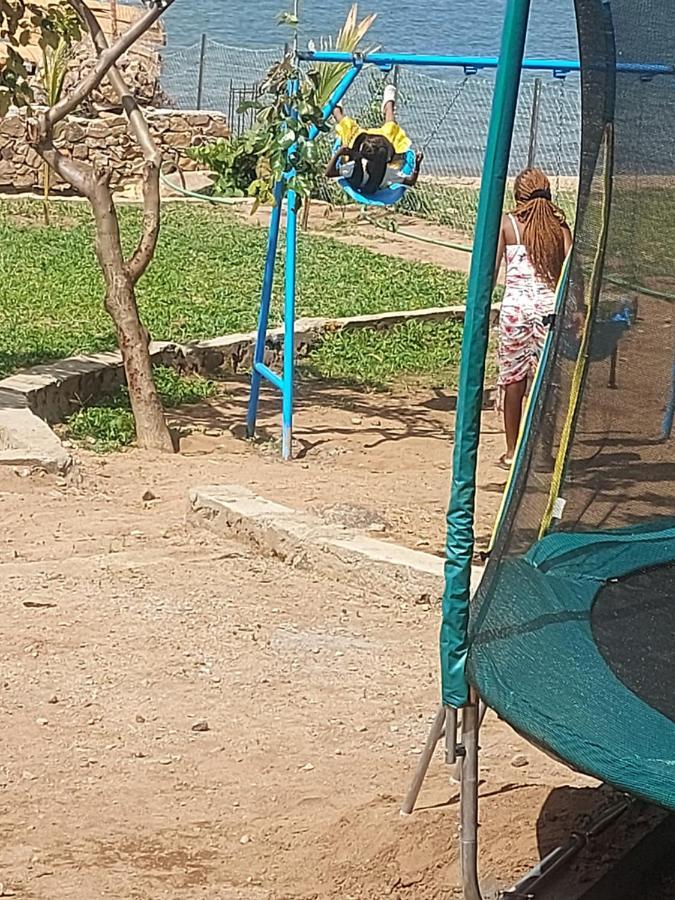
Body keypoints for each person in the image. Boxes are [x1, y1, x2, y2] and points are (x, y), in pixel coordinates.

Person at [494, 168, 573, 467]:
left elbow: (491, 270)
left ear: (518, 197)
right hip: (548, 312)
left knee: (514, 381)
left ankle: (513, 450)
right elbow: (571, 275)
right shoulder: (559, 229)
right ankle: (542, 453)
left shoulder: (508, 225)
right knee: (546, 382)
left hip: (515, 311)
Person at [325, 85, 424, 196]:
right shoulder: (387, 173)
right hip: (375, 144)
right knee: (391, 129)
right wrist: (417, 165)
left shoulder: (352, 168)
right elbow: (410, 181)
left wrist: (339, 153)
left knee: (347, 127)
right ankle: (388, 105)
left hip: (357, 146)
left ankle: (335, 105)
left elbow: (329, 172)